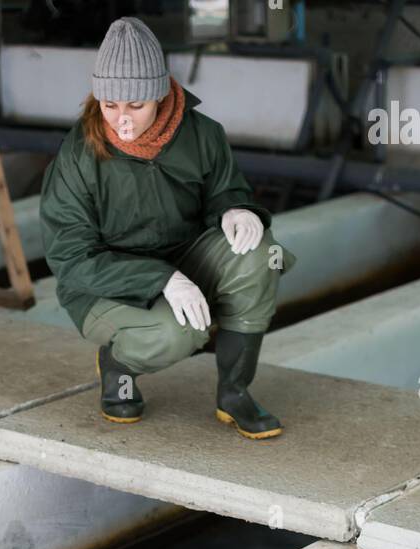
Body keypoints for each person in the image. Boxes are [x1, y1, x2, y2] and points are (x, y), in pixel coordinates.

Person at [39, 16, 297, 439]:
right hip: (104, 285)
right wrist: (162, 279)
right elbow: (71, 259)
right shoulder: (77, 156)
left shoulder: (204, 135)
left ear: (160, 93)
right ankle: (118, 365)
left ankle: (234, 394)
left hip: (184, 257)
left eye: (135, 106)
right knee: (178, 332)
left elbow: (225, 190)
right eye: (110, 105)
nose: (122, 120)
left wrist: (236, 209)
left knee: (256, 253)